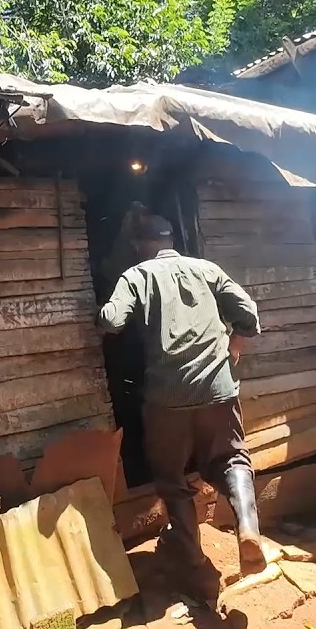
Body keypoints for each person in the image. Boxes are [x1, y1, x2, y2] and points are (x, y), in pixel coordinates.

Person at [97, 212, 266, 598]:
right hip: (219, 389)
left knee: (172, 481)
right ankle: (247, 526)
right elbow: (249, 314)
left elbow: (112, 320)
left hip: (167, 399)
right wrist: (234, 345)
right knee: (231, 458)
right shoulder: (206, 269)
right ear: (172, 238)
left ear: (139, 246)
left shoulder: (136, 276)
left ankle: (192, 561)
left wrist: (99, 316)